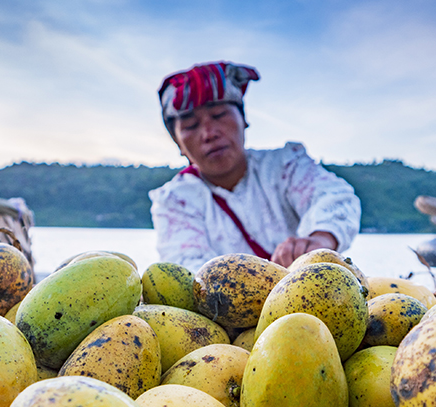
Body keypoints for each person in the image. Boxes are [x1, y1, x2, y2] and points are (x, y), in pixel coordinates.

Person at [148, 61, 362, 273]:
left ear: (243, 119)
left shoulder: (285, 167)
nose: (209, 133)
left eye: (219, 115)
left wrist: (320, 239)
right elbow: (187, 268)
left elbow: (334, 196)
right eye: (191, 126)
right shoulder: (175, 200)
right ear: (178, 143)